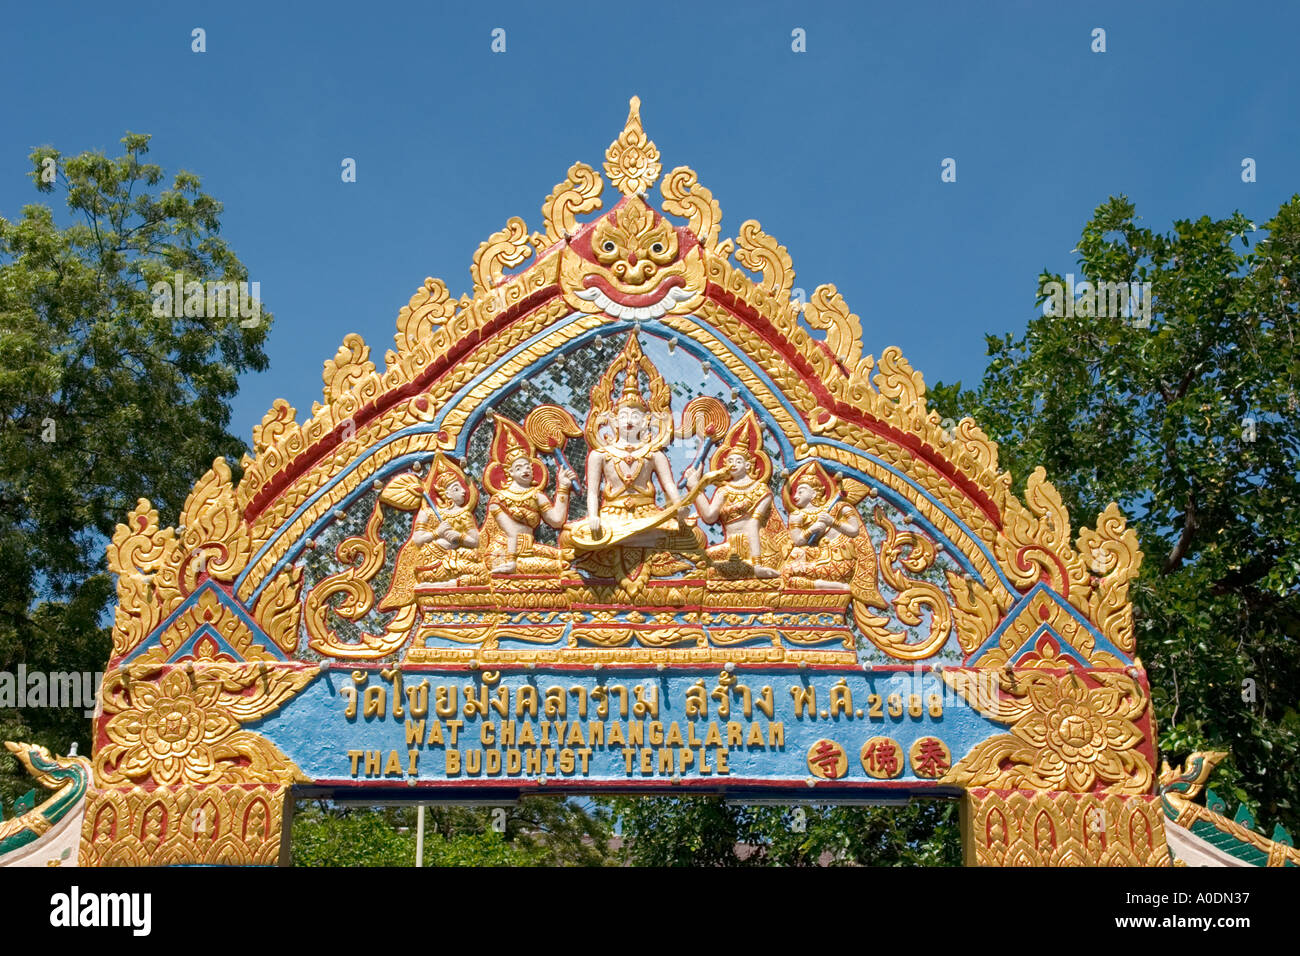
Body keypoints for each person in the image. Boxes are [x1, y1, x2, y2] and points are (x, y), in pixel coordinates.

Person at [685, 410, 785, 579]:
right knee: (702, 561)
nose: (733, 464)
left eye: (738, 461)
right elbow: (709, 516)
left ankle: (753, 570)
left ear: (748, 465)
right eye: (730, 461)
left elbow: (753, 524)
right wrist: (695, 487)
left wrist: (757, 564)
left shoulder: (761, 491)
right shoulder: (724, 490)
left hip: (757, 548)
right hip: (731, 546)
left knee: (712, 572)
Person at [481, 415, 574, 574]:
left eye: (528, 467)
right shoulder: (499, 499)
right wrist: (511, 560)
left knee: (568, 556)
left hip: (528, 549)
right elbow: (512, 532)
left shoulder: (536, 495)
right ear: (510, 472)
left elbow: (557, 521)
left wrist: (563, 488)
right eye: (519, 468)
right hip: (502, 553)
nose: (525, 470)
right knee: (561, 568)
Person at [782, 460, 862, 590]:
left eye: (801, 491)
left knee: (788, 574)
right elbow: (798, 541)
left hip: (839, 561)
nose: (795, 496)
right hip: (818, 558)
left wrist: (833, 522)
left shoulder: (837, 507)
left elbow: (854, 531)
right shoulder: (796, 515)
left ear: (814, 493)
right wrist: (811, 529)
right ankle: (826, 586)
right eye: (795, 492)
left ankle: (838, 586)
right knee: (795, 556)